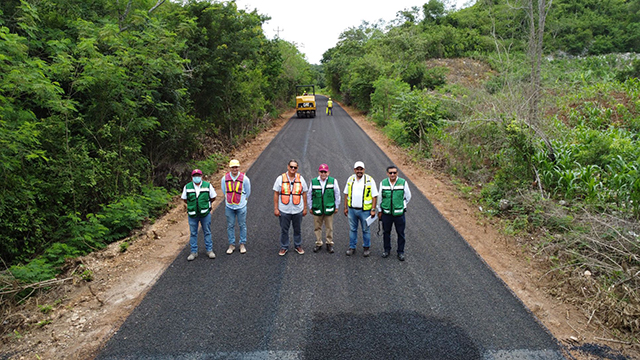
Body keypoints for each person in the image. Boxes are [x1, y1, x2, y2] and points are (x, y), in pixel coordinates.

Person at [273, 159, 309, 256]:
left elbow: (304, 193)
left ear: (297, 168)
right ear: (288, 167)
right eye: (291, 167)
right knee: (284, 229)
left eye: (295, 167)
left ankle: (298, 245)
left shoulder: (301, 179)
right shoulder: (280, 179)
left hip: (298, 209)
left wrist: (305, 208)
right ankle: (284, 247)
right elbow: (276, 193)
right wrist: (276, 208)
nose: (293, 169)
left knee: (297, 229)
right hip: (284, 209)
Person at [377, 165, 412, 261]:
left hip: (399, 214)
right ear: (387, 173)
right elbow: (380, 197)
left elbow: (408, 196)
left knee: (400, 233)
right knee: (386, 232)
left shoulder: (403, 183)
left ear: (397, 173)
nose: (392, 174)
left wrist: (402, 205)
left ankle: (400, 252)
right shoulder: (383, 183)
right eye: (390, 173)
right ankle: (386, 250)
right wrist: (379, 210)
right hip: (386, 213)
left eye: (394, 173)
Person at [343, 161, 378, 257]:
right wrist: (345, 207)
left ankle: (366, 248)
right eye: (357, 169)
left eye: (361, 169)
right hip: (352, 210)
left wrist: (373, 209)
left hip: (365, 211)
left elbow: (374, 196)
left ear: (364, 170)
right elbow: (346, 194)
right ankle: (352, 247)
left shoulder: (370, 180)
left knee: (366, 230)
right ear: (354, 170)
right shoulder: (350, 179)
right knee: (352, 229)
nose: (359, 171)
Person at [181, 169, 217, 261]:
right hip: (193, 214)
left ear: (202, 176)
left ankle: (209, 250)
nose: (197, 177)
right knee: (193, 233)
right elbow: (185, 199)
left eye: (198, 175)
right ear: (192, 177)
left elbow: (213, 197)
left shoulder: (207, 185)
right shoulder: (187, 187)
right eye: (195, 176)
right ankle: (193, 252)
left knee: (207, 231)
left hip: (205, 213)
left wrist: (205, 205)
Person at [307, 163, 341, 253]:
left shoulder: (333, 181)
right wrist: (310, 206)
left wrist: (336, 206)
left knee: (329, 227)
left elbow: (337, 194)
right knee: (317, 227)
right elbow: (309, 194)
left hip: (329, 209)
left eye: (325, 172)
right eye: (321, 172)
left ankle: (329, 243)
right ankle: (318, 243)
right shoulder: (313, 181)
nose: (323, 174)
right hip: (317, 208)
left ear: (328, 172)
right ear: (319, 172)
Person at [221, 159, 251, 255]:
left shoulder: (244, 179)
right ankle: (232, 244)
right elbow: (223, 190)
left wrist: (244, 200)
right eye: (233, 167)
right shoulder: (224, 178)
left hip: (241, 206)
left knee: (242, 225)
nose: (235, 169)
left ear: (239, 168)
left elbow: (248, 191)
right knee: (230, 225)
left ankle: (242, 243)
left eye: (236, 167)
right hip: (229, 206)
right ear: (230, 168)